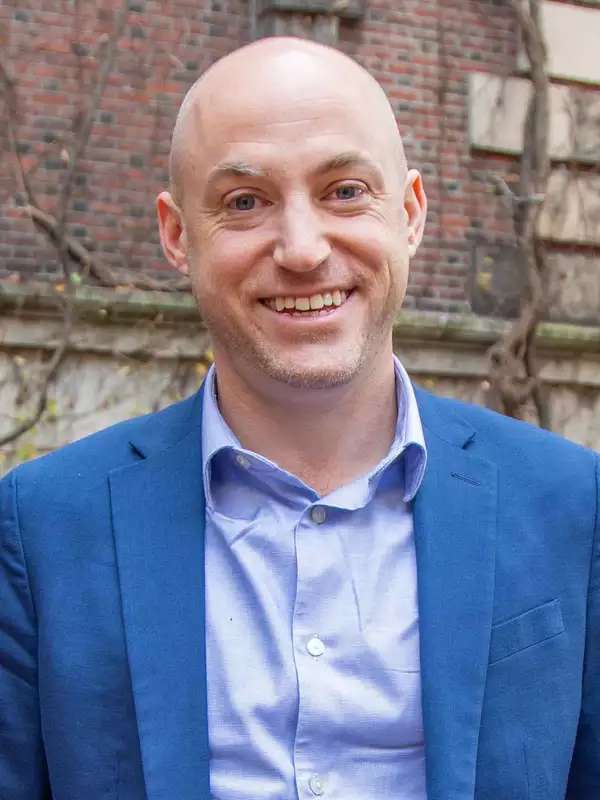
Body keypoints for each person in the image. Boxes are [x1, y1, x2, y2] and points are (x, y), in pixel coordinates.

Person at [0, 36, 598, 800]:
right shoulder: (43, 526)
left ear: (409, 214)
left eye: (345, 190)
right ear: (179, 235)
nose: (303, 248)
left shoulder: (571, 506)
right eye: (244, 202)